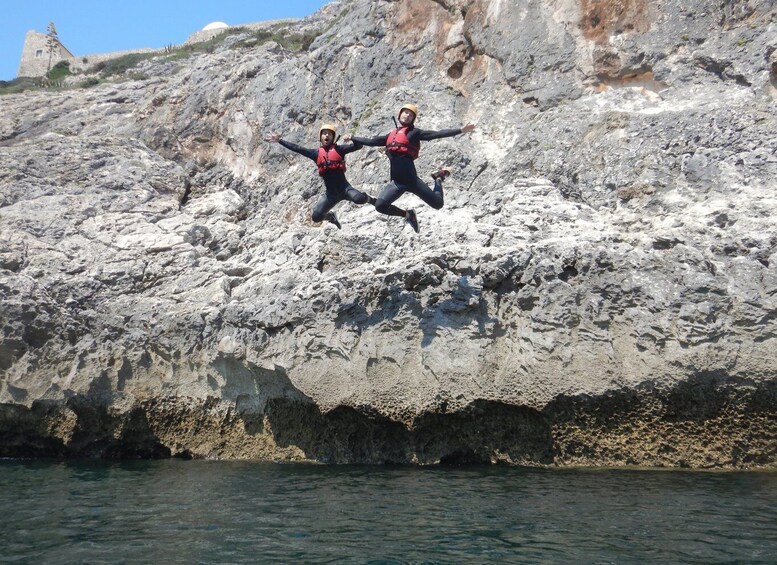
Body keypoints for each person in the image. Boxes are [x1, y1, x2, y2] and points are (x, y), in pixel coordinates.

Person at [350, 103, 475, 233]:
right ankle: (408, 215)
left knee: (438, 204)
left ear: (413, 120)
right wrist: (353, 137)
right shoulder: (390, 135)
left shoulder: (414, 133)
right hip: (397, 183)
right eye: (405, 112)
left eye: (411, 115)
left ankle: (438, 178)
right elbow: (370, 142)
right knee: (380, 206)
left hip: (412, 182)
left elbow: (437, 134)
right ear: (399, 115)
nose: (408, 115)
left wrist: (461, 130)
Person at [265, 124, 375, 229]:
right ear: (320, 137)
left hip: (345, 189)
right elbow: (297, 148)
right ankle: (331, 217)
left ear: (333, 138)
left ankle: (370, 199)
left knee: (359, 199)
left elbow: (358, 146)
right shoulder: (316, 154)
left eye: (329, 134)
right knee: (316, 217)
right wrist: (279, 140)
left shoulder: (340, 150)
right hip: (331, 195)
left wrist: (352, 138)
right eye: (324, 133)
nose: (327, 135)